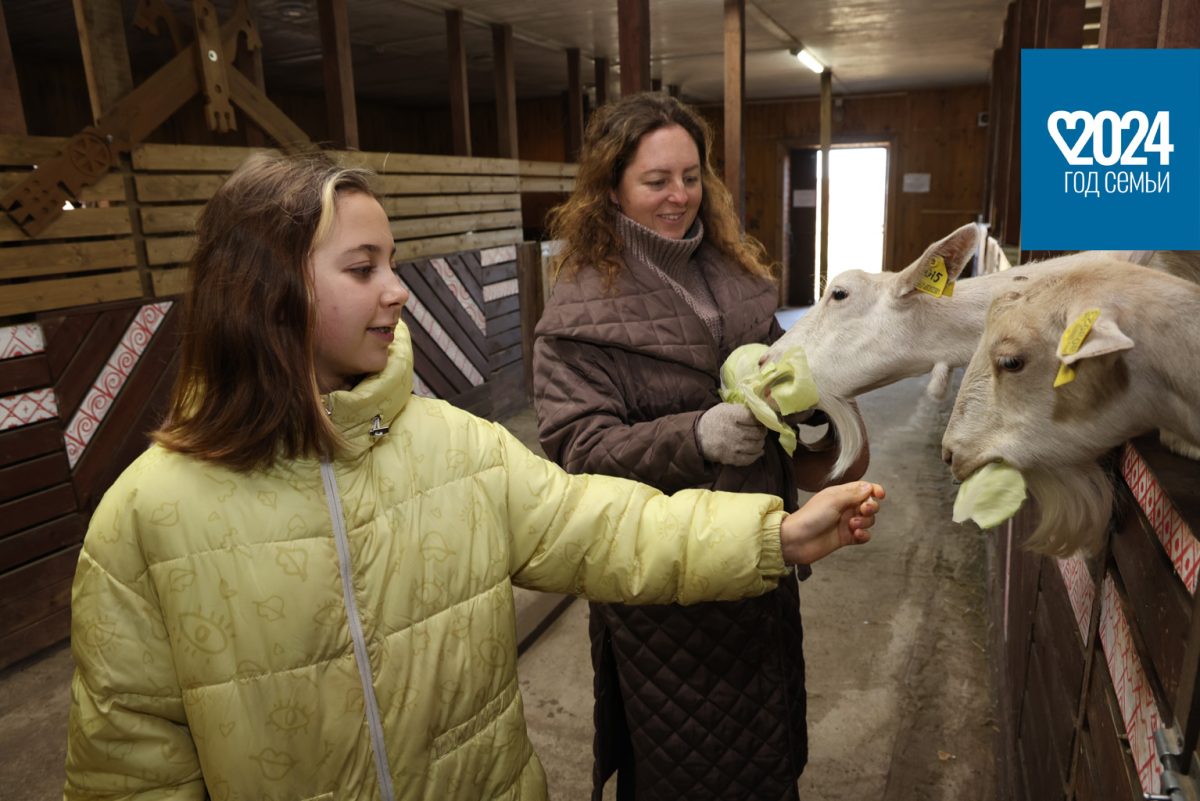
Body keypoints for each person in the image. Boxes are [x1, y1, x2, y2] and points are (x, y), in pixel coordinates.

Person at [62, 151, 885, 801]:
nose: (397, 291)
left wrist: (775, 534)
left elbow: (604, 526)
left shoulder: (457, 449)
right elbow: (130, 762)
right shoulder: (146, 517)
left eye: (393, 263)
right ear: (263, 290)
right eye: (363, 269)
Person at [532, 93, 872, 801]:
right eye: (657, 181)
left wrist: (810, 412)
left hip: (764, 551)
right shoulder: (579, 310)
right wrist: (696, 434)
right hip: (666, 589)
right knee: (688, 762)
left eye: (691, 176)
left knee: (767, 750)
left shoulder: (730, 271)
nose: (679, 195)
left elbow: (782, 372)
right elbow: (575, 447)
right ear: (613, 185)